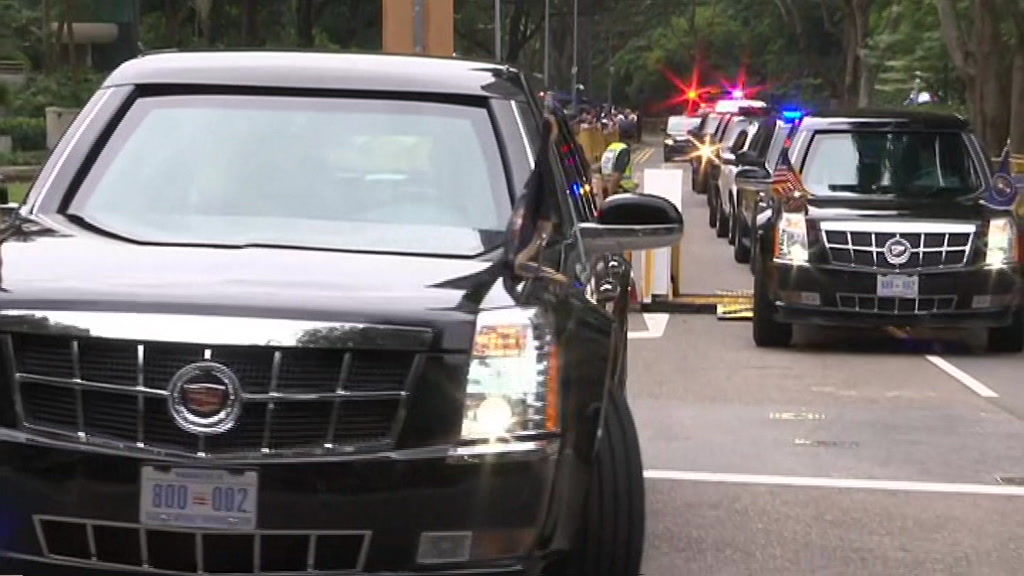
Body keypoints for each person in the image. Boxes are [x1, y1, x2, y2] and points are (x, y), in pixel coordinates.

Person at [599, 121, 638, 199]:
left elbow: (601, 168)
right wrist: (609, 196)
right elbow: (617, 175)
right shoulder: (624, 150)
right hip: (620, 192)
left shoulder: (612, 147)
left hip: (607, 188)